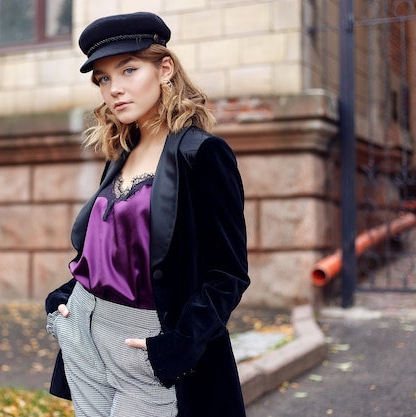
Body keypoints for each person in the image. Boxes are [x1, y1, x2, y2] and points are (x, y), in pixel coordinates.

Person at [45, 11, 250, 417]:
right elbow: (112, 247)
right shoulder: (121, 154)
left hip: (145, 341)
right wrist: (64, 298)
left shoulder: (202, 155)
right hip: (85, 326)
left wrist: (178, 344)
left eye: (129, 70)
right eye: (103, 78)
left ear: (165, 69)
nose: (114, 89)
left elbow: (228, 274)